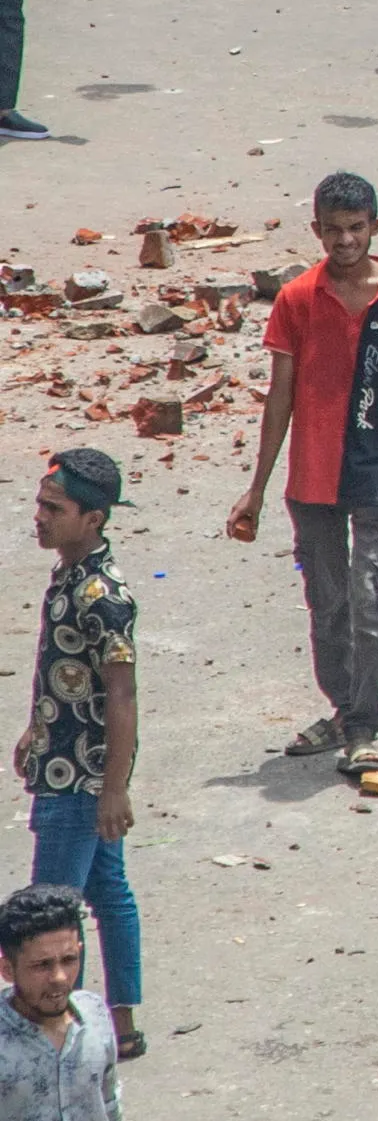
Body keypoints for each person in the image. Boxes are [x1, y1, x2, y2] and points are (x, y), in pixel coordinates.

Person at [222, 168, 378, 781]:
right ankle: (344, 711)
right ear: (315, 230)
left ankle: (365, 726)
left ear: (376, 227)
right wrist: (256, 488)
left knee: (372, 598)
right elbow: (278, 396)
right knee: (326, 600)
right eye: (334, 230)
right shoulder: (294, 300)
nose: (345, 241)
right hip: (312, 476)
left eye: (356, 228)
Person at [9, 450, 130, 1066]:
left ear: (94, 518)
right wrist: (36, 726)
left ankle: (57, 1028)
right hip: (59, 760)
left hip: (78, 779)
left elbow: (121, 694)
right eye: (40, 505)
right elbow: (65, 674)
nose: (39, 518)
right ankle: (124, 1022)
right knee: (110, 892)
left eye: (54, 509)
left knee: (49, 914)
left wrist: (113, 790)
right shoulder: (66, 575)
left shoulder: (101, 594)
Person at [0, 883, 113, 1121]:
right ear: (7, 969)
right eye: (42, 965)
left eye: (69, 959)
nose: (59, 977)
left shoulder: (95, 1015)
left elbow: (109, 1103)